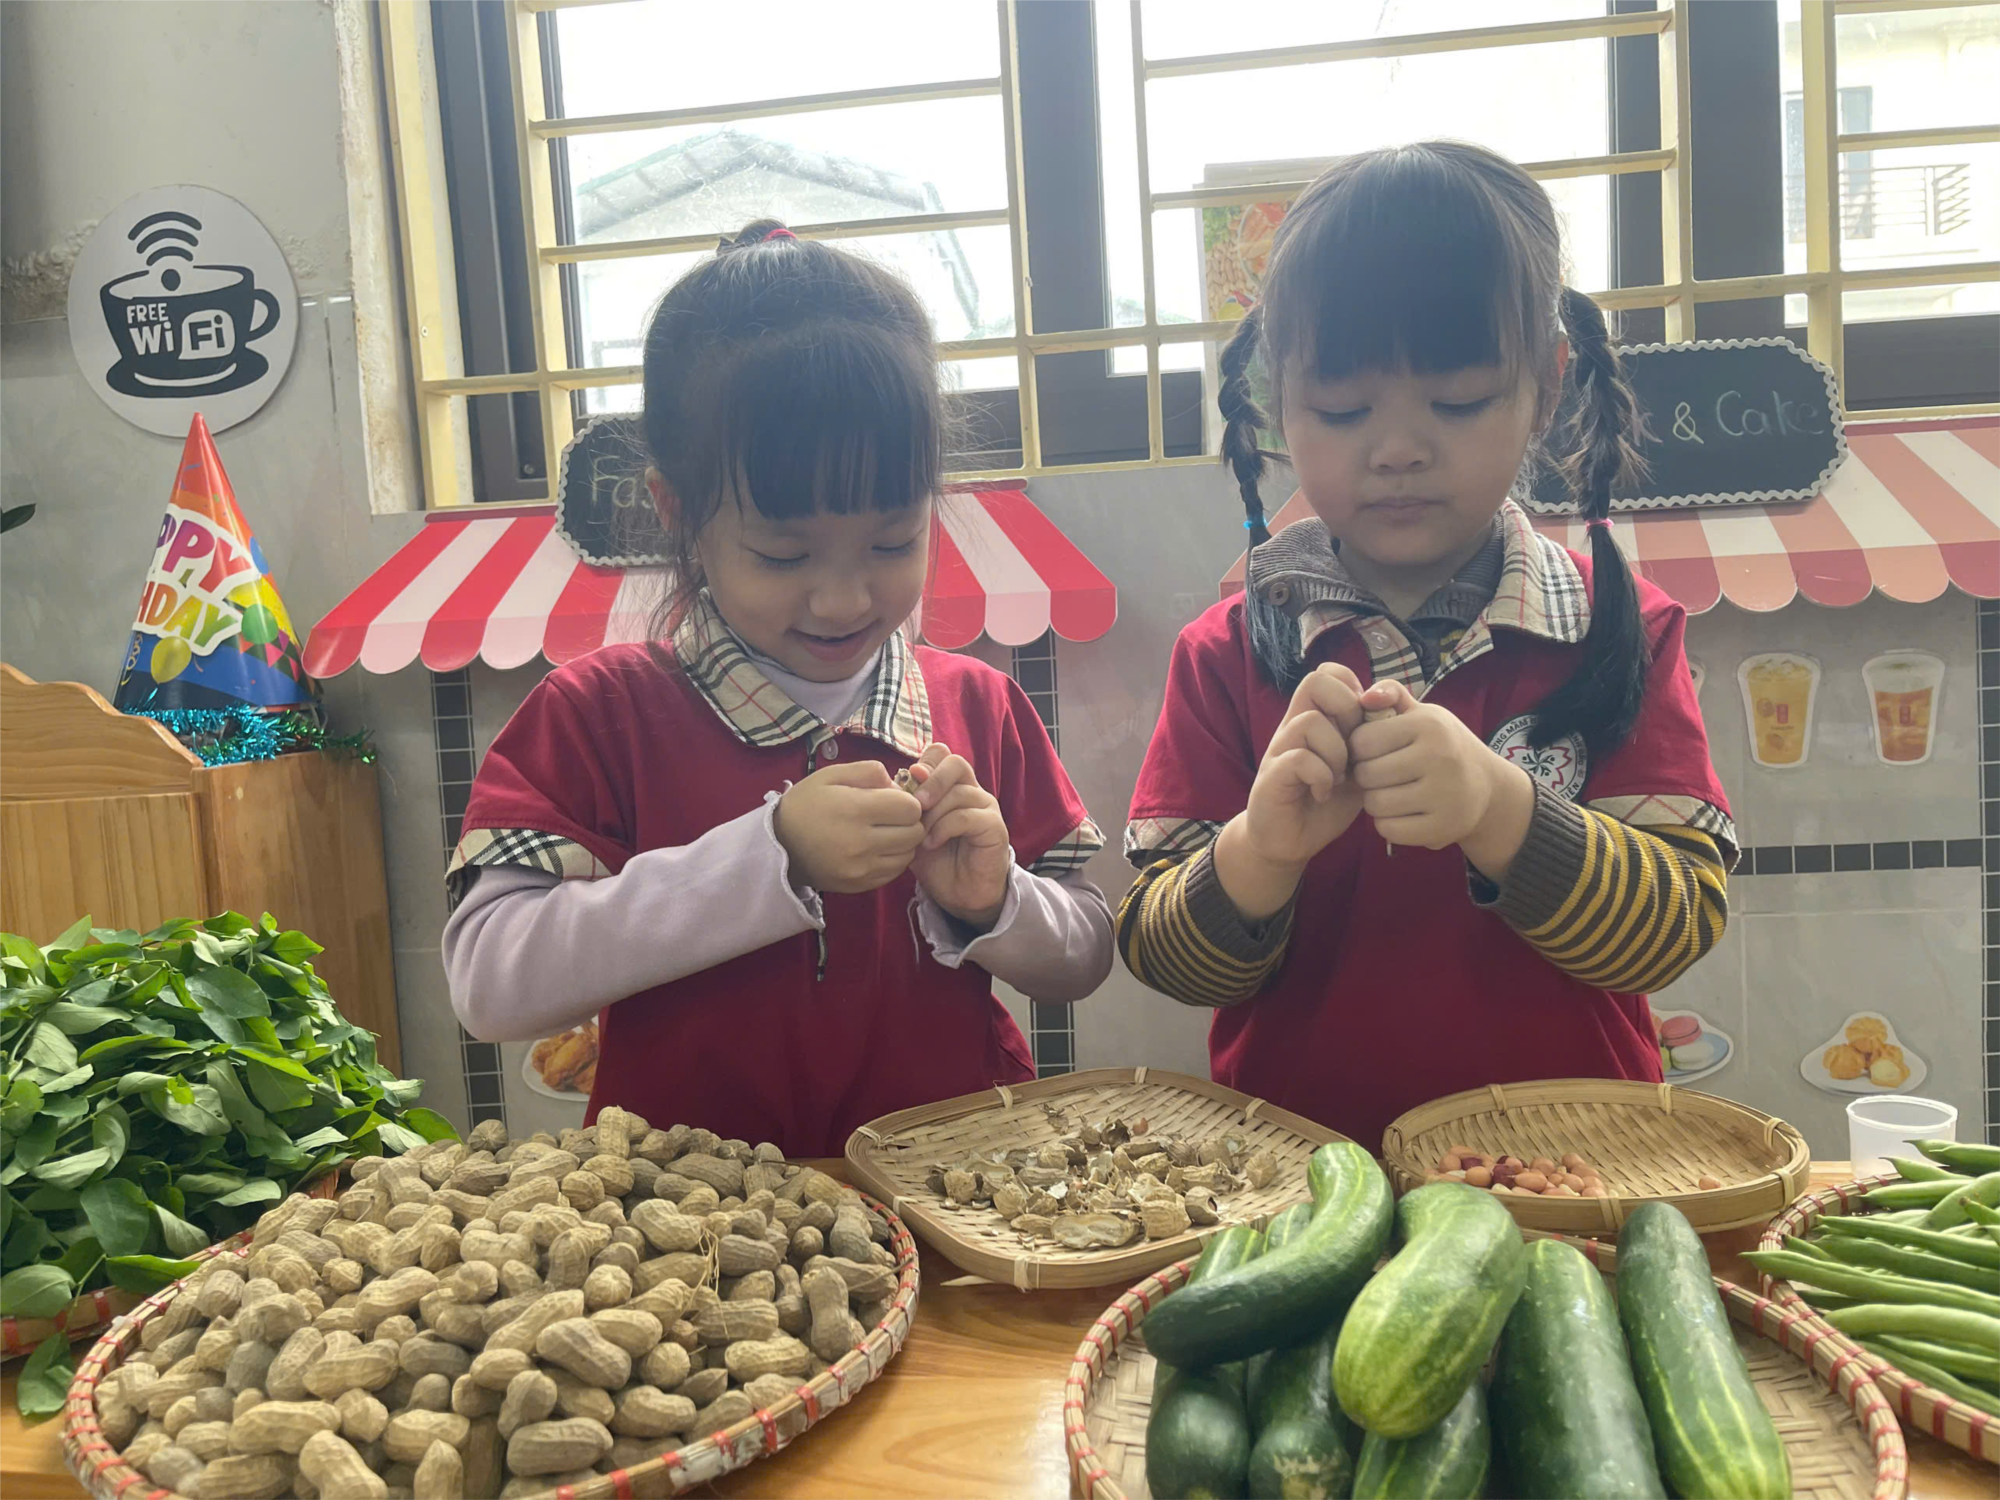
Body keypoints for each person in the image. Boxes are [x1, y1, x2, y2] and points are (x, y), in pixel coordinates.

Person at [443, 220, 1113, 1156]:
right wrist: (768, 857)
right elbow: (489, 984)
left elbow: (1084, 955)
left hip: (950, 1195)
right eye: (782, 555)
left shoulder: (979, 707)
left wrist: (996, 900)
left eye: (893, 542)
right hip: (694, 1211)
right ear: (677, 511)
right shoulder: (598, 716)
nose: (843, 599)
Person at [1119, 143, 1733, 1149]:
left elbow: (1672, 930)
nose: (1397, 449)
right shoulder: (1227, 654)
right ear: (1276, 404)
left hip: (1575, 1173)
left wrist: (1500, 808)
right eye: (1341, 410)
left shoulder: (1618, 633)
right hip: (1307, 1180)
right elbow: (1163, 960)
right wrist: (1259, 852)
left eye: (1457, 402)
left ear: (1546, 385)